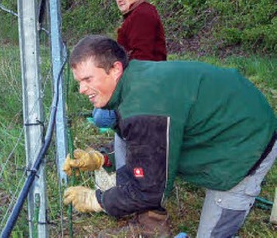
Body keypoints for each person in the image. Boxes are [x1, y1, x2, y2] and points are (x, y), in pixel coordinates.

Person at [63, 35, 277, 238]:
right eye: (79, 81)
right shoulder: (132, 83)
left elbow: (148, 190)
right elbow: (139, 141)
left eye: (88, 79)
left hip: (247, 142)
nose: (82, 89)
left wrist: (98, 200)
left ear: (115, 69)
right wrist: (103, 158)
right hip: (227, 116)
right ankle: (151, 220)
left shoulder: (144, 107)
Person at [92, 0, 167, 129]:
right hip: (137, 78)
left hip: (144, 82)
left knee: (102, 118)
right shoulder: (136, 14)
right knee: (98, 109)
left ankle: (132, 123)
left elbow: (142, 57)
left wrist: (121, 85)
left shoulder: (142, 15)